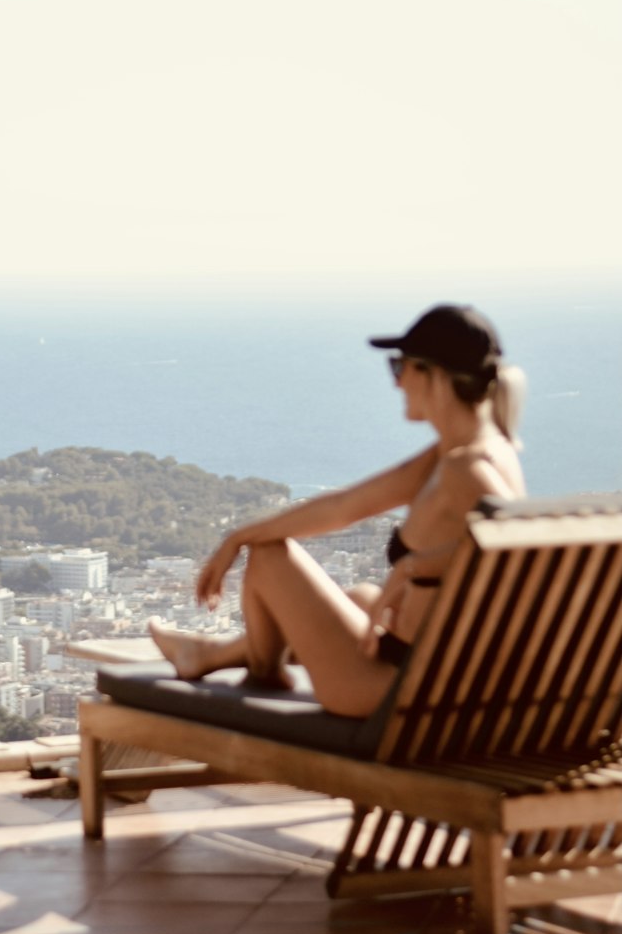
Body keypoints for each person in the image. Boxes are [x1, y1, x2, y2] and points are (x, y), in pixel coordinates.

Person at [149, 304, 527, 719]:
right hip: (433, 676)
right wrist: (236, 535)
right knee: (361, 597)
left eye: (400, 368)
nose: (398, 383)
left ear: (434, 376)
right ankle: (210, 654)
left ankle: (262, 670)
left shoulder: (465, 469)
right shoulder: (477, 451)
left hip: (395, 694)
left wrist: (414, 567)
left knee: (270, 554)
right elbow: (345, 507)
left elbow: (516, 552)